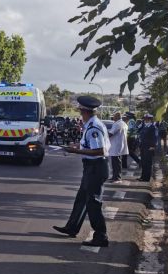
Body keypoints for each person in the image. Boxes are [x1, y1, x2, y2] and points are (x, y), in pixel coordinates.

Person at [53, 96, 110, 247]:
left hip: (96, 167)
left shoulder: (93, 128)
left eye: (80, 111)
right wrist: (77, 145)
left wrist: (75, 151)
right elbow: (88, 145)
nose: (79, 113)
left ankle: (101, 236)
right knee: (81, 199)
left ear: (85, 111)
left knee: (93, 203)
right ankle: (72, 227)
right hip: (91, 168)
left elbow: (99, 151)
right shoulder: (91, 124)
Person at [108, 112, 128, 183]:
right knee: (116, 162)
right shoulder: (123, 123)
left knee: (116, 162)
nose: (113, 117)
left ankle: (117, 178)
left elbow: (111, 133)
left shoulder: (117, 124)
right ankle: (114, 176)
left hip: (116, 145)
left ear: (117, 117)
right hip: (120, 144)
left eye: (114, 116)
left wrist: (103, 136)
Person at [138, 114, 157, 182]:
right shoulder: (144, 126)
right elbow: (140, 133)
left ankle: (146, 178)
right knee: (143, 162)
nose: (145, 120)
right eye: (144, 119)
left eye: (146, 119)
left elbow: (154, 137)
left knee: (148, 163)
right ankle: (143, 177)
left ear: (150, 119)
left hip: (149, 147)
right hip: (143, 147)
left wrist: (153, 146)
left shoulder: (152, 127)